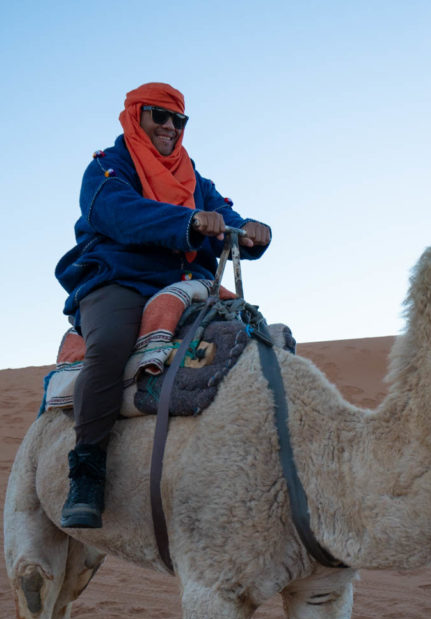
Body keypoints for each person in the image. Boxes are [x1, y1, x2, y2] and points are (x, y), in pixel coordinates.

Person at [54, 82, 272, 528]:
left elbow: (223, 217)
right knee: (111, 346)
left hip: (185, 279)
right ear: (136, 116)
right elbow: (118, 213)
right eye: (161, 116)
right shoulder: (108, 169)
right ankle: (87, 470)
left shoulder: (192, 178)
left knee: (260, 337)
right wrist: (187, 222)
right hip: (119, 278)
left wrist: (250, 233)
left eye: (179, 120)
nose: (171, 127)